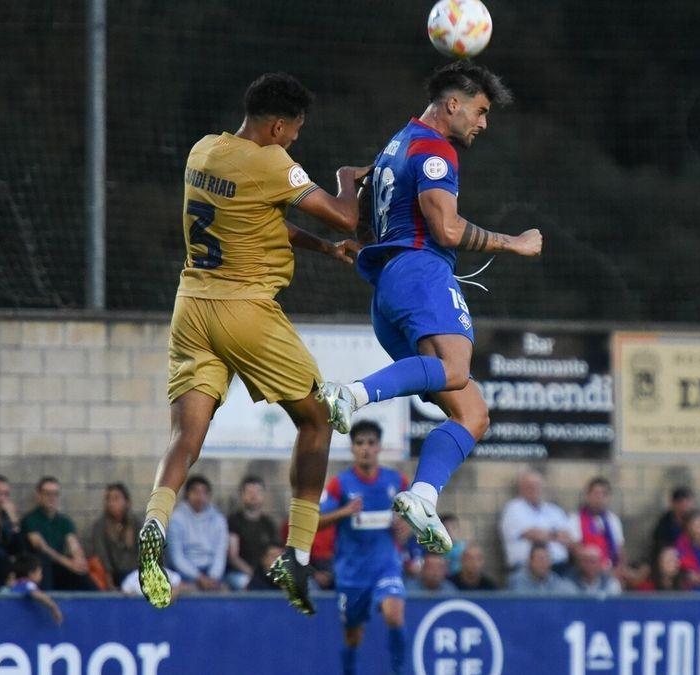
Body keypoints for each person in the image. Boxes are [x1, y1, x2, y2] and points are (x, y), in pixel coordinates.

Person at [137, 71, 369, 615]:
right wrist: (345, 178)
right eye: (294, 133)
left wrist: (320, 247)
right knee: (318, 420)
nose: (294, 142)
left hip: (191, 306)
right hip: (244, 310)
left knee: (185, 439)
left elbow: (257, 220)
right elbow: (346, 214)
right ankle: (298, 552)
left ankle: (154, 521)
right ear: (279, 125)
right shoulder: (270, 163)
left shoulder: (204, 151)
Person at [316, 60, 541, 557]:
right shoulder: (435, 149)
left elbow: (351, 178)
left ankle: (422, 495)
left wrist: (363, 239)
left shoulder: (397, 142)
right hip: (421, 273)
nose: (483, 123)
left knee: (473, 412)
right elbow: (447, 231)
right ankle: (350, 395)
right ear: (453, 104)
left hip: (389, 291)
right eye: (480, 111)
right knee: (457, 369)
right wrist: (516, 243)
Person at [318, 420, 409, 675]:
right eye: (359, 443)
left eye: (371, 443)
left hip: (385, 566)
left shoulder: (396, 481)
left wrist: (406, 526)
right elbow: (316, 521)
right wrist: (345, 511)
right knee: (353, 637)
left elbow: (416, 515)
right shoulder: (340, 484)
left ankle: (400, 671)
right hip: (352, 574)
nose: (365, 448)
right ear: (352, 448)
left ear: (380, 447)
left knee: (394, 614)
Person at [21, 476, 93, 591]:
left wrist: (78, 559)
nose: (52, 498)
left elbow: (72, 543)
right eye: (47, 494)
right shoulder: (30, 519)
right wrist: (67, 562)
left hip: (58, 567)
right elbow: (41, 546)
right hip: (38, 569)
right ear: (39, 495)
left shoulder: (64, 521)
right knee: (44, 560)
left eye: (55, 494)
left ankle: (99, 603)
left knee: (80, 572)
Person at [499, 471, 572, 572]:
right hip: (526, 569)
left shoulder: (554, 510)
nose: (534, 489)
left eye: (537, 485)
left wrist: (544, 534)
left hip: (558, 566)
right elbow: (533, 535)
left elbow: (568, 537)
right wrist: (555, 535)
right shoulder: (513, 508)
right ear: (521, 489)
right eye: (529, 486)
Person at [167, 475, 228, 593]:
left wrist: (213, 577)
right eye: (195, 492)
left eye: (204, 493)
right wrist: (198, 577)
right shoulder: (176, 519)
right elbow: (177, 557)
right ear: (187, 495)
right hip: (186, 573)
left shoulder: (219, 519)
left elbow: (220, 553)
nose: (200, 497)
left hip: (212, 573)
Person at [568, 477, 628, 581]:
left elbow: (620, 550)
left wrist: (619, 569)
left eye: (604, 494)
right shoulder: (575, 519)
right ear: (587, 495)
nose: (599, 498)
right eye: (596, 493)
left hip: (611, 572)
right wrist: (597, 567)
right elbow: (576, 549)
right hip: (584, 572)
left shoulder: (613, 520)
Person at [225, 476, 280, 591]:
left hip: (266, 571)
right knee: (250, 585)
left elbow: (275, 552)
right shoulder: (233, 521)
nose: (254, 496)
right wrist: (253, 573)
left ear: (264, 495)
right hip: (239, 573)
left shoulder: (268, 523)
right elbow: (233, 556)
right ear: (242, 495)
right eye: (249, 492)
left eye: (258, 492)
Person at [87, 483, 140, 589]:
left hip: (136, 574)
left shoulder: (136, 524)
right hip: (113, 575)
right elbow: (101, 555)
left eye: (116, 499)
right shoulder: (100, 526)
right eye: (108, 499)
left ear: (127, 502)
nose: (111, 503)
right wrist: (109, 581)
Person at [8, 554, 63, 625]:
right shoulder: (27, 584)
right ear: (31, 574)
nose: (41, 575)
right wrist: (54, 607)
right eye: (40, 572)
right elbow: (35, 594)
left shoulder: (16, 584)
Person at [507, 542, 576, 594]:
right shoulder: (516, 582)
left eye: (547, 559)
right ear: (530, 562)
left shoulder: (556, 581)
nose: (544, 563)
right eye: (540, 559)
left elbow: (573, 593)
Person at [651, 486, 695, 564]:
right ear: (673, 504)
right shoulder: (664, 524)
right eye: (681, 503)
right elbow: (661, 548)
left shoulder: (696, 520)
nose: (684, 507)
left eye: (687, 502)